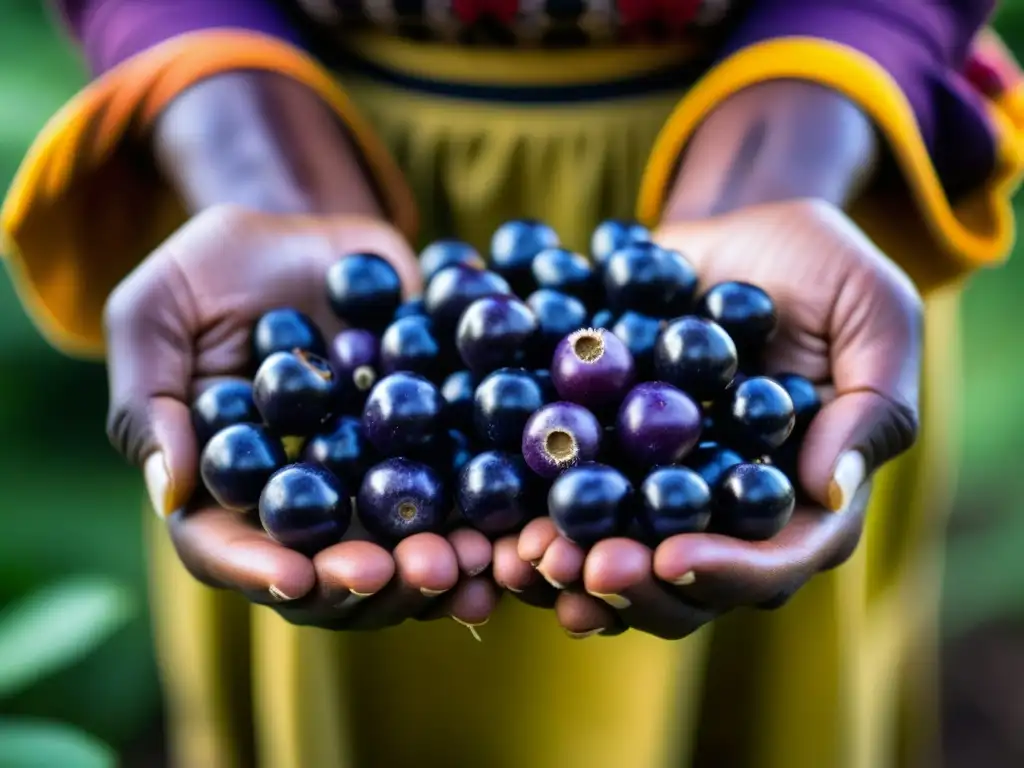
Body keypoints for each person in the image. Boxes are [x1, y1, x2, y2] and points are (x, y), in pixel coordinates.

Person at [3, 1, 1022, 766]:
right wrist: (244, 145)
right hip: (290, 141)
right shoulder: (324, 336)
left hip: (793, 159)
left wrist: (807, 124)